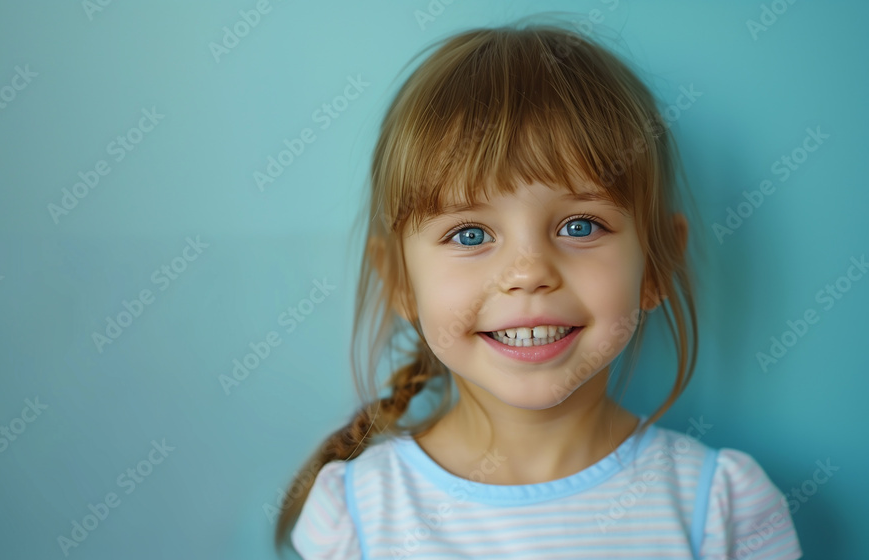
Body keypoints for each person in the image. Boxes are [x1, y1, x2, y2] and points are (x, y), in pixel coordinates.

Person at [274, 21, 802, 559]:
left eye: (580, 226)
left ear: (657, 265)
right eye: (471, 234)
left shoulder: (721, 510)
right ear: (399, 282)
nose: (528, 273)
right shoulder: (355, 516)